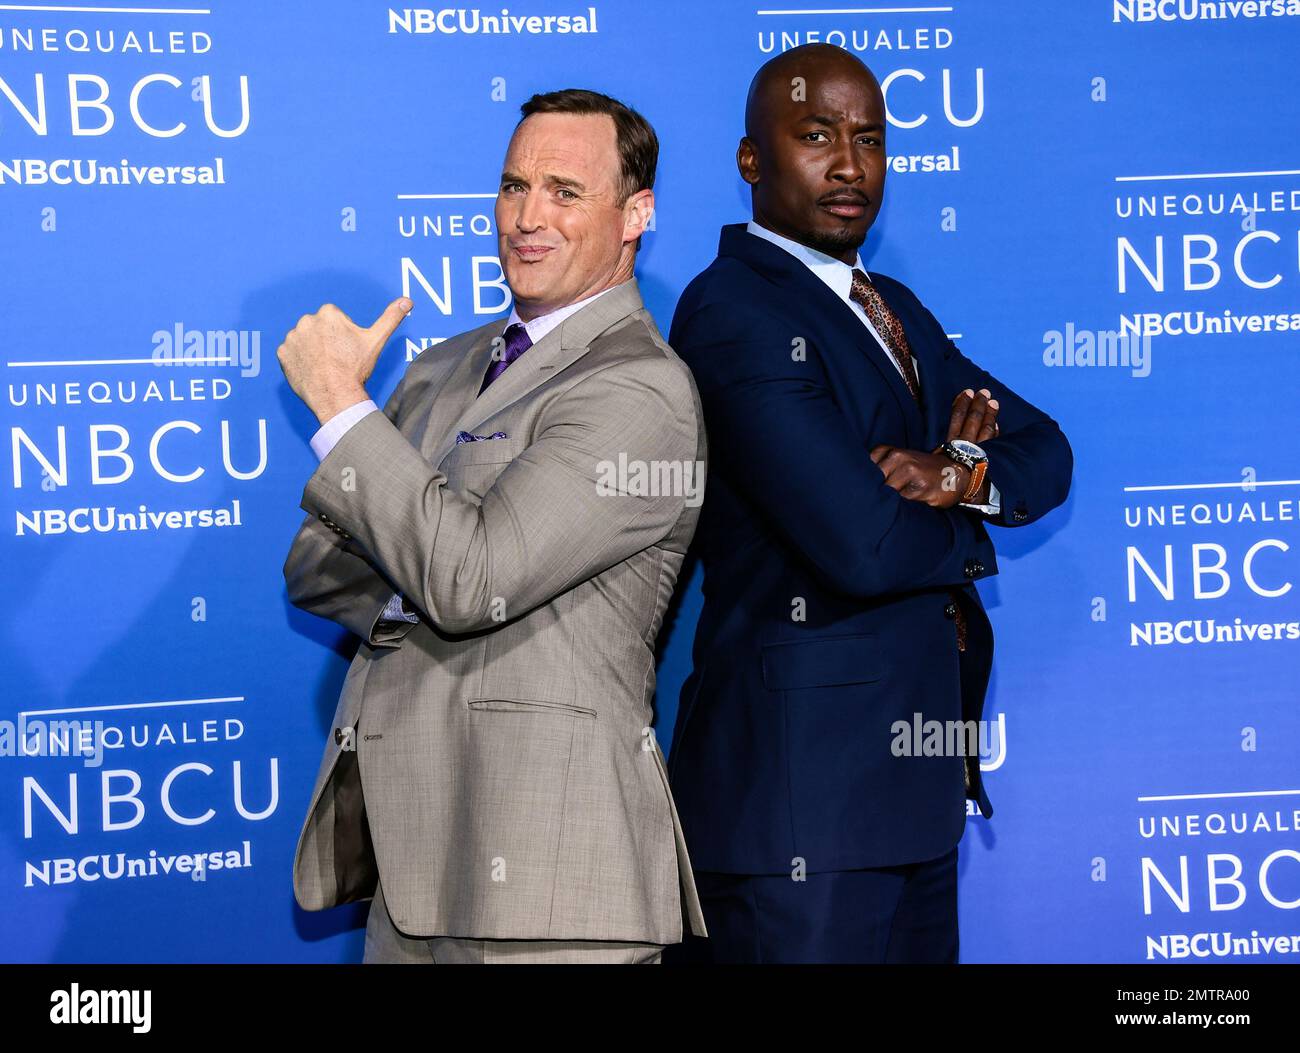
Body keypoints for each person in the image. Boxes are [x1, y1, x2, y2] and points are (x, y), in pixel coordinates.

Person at [276, 88, 707, 964]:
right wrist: (422, 586)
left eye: (564, 191)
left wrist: (339, 406)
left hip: (555, 886)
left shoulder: (640, 390)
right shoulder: (441, 366)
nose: (528, 216)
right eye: (514, 187)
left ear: (637, 215)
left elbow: (472, 577)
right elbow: (316, 563)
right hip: (411, 869)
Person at [663, 44, 1073, 963]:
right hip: (798, 824)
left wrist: (954, 472)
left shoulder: (894, 310)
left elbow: (1046, 450)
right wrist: (960, 500)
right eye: (817, 137)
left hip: (914, 814)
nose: (852, 166)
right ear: (750, 161)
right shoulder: (734, 311)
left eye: (870, 140)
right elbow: (863, 544)